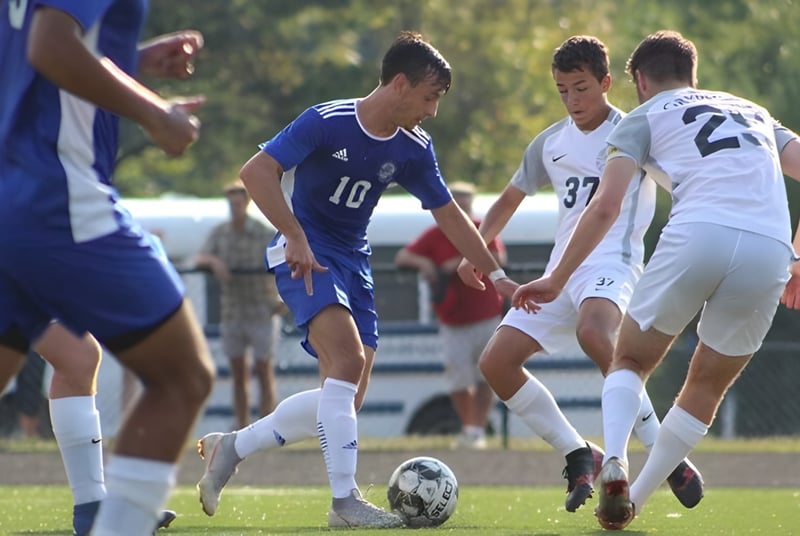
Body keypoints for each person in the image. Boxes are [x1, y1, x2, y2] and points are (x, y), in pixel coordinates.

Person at [195, 31, 522, 529]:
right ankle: (344, 503)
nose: (432, 111)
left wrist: (498, 276)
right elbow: (256, 171)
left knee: (343, 398)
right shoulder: (327, 121)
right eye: (429, 97)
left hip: (353, 260)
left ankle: (232, 446)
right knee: (345, 365)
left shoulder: (414, 147)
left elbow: (449, 214)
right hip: (305, 253)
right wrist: (294, 235)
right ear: (398, 84)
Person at [511, 30, 800, 530]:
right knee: (707, 383)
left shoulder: (641, 117)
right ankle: (636, 500)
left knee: (628, 358)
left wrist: (557, 278)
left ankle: (617, 459)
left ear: (640, 81)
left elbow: (605, 207)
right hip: (768, 246)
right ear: (694, 75)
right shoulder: (751, 109)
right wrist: (796, 255)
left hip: (697, 233)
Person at [456, 35, 703, 513]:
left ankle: (660, 451)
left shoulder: (636, 131)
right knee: (496, 364)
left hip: (613, 263)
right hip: (560, 271)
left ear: (608, 83)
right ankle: (578, 452)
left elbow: (685, 181)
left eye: (582, 88)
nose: (572, 101)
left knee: (595, 332)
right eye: (562, 90)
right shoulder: (550, 142)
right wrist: (477, 246)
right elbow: (510, 198)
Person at [0, 3, 216, 535]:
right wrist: (154, 113)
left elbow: (30, 68)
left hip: (13, 193)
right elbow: (49, 48)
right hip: (57, 202)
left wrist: (132, 58)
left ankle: (95, 508)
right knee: (182, 377)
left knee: (79, 357)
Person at [395, 181, 504, 450]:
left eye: (466, 202)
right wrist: (426, 263)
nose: (462, 207)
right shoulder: (435, 234)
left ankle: (478, 429)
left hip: (487, 314)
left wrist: (457, 263)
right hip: (453, 319)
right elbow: (402, 257)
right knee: (458, 376)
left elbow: (498, 258)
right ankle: (469, 428)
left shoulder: (482, 228)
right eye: (457, 202)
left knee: (487, 375)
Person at [195, 180, 284, 429]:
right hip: (232, 312)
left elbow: (285, 261)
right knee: (238, 374)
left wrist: (285, 298)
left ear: (246, 203)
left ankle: (268, 426)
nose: (234, 207)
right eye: (231, 203)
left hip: (261, 310)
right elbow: (200, 256)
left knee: (264, 371)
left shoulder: (263, 232)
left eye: (238, 202)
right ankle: (242, 426)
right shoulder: (220, 233)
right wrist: (214, 263)